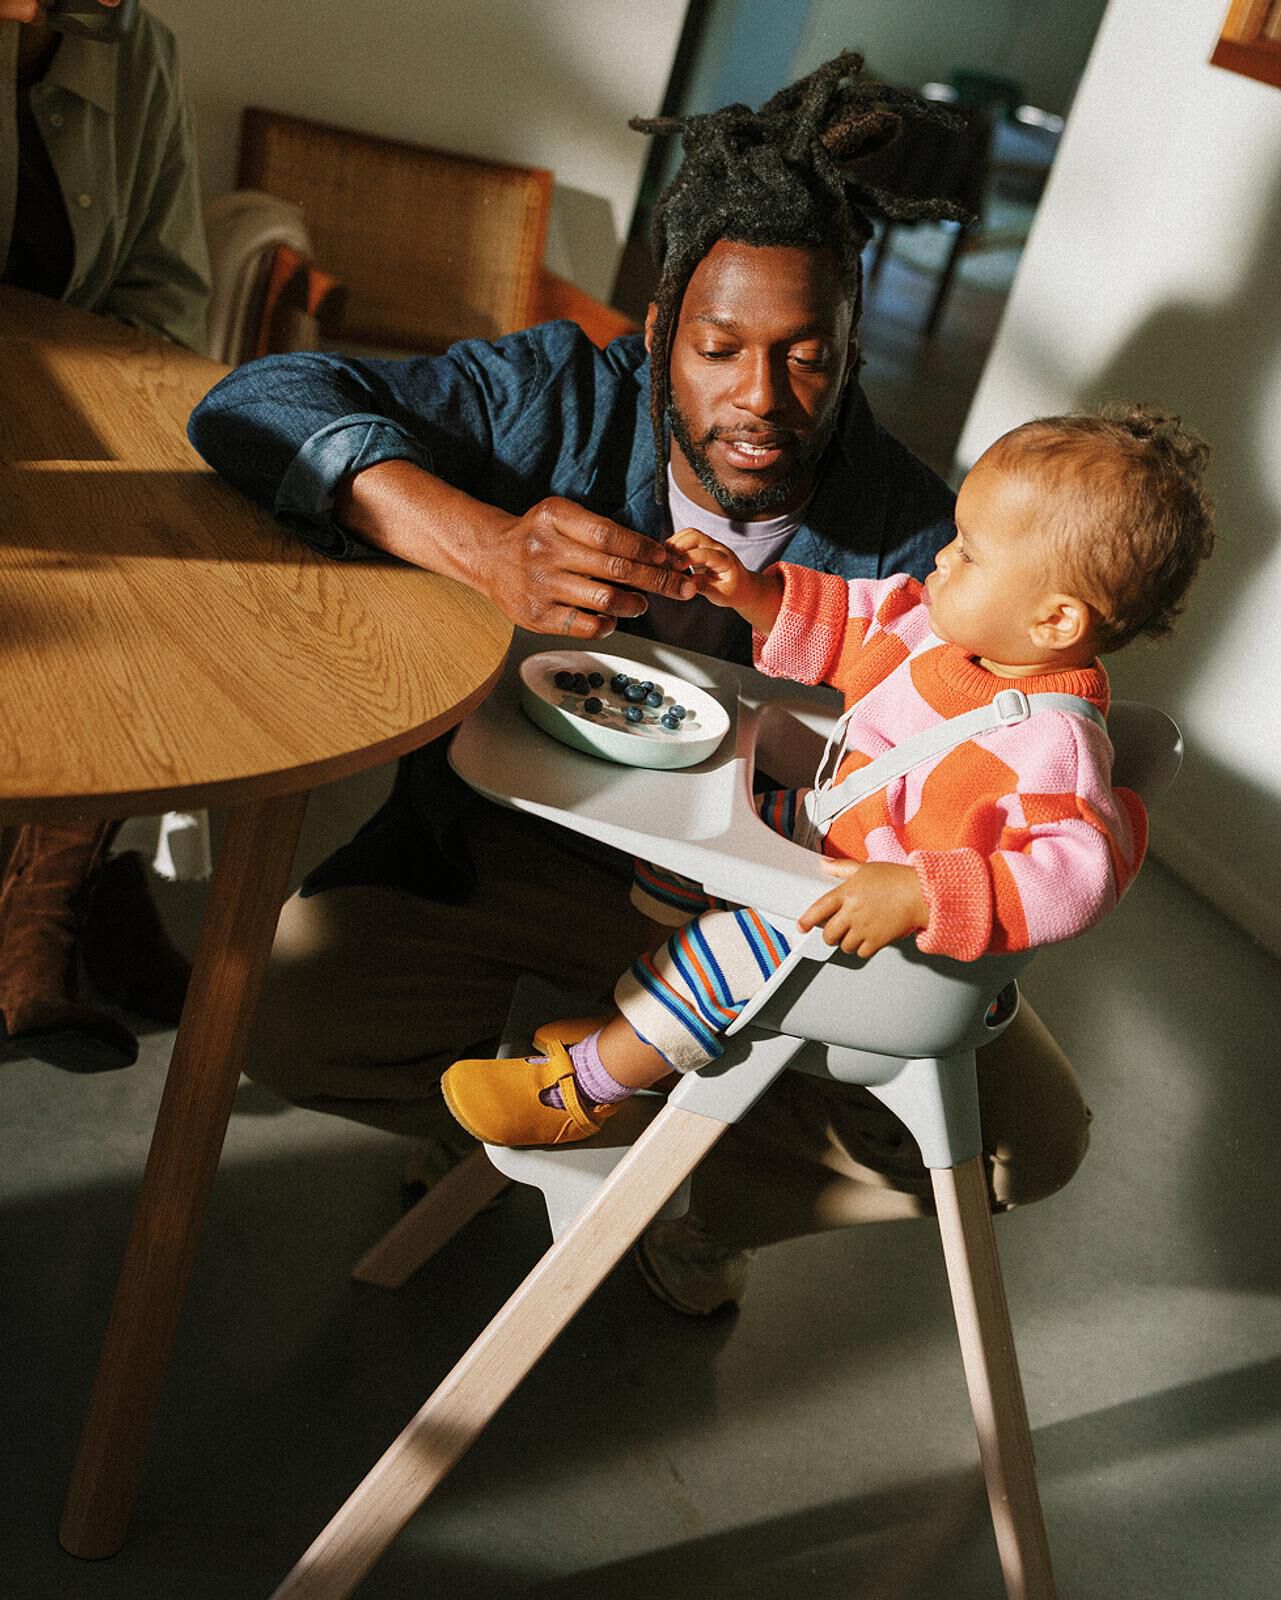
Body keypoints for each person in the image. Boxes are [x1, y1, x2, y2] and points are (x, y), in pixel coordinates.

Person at [187, 52, 1097, 1316]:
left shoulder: (915, 532)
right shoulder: (557, 394)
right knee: (275, 1011)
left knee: (1026, 1143)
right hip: (497, 861)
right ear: (662, 327)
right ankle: (520, 1119)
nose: (761, 404)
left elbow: (996, 765)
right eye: (720, 350)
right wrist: (481, 544)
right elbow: (254, 401)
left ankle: (675, 1174)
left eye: (809, 358)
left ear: (851, 350)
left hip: (766, 933)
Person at [440, 406, 1214, 1145]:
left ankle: (583, 1090)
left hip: (898, 949)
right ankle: (647, 1019)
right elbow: (848, 623)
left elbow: (1075, 878)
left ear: (1053, 621)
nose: (942, 559)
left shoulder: (1054, 746)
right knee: (680, 844)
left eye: (969, 554)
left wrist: (920, 892)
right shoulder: (939, 634)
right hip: (838, 840)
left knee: (730, 944)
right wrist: (750, 595)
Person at [0, 0, 211, 1071]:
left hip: (66, 423)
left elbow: (168, 298)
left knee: (176, 584)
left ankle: (41, 920)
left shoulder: (135, 47)